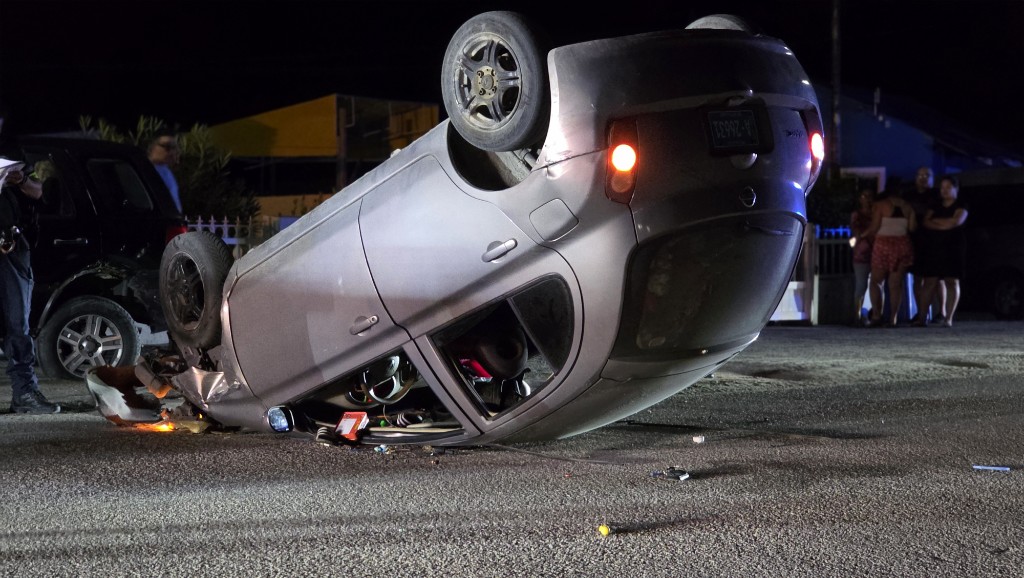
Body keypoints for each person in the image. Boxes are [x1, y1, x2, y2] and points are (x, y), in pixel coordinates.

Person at [0, 110, 61, 413]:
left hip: (10, 246)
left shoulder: (13, 156)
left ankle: (24, 393)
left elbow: (38, 192)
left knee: (17, 323)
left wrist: (21, 178)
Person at [914, 176, 968, 327]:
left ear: (956, 189)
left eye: (948, 187)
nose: (944, 190)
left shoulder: (961, 205)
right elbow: (926, 222)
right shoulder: (935, 205)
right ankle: (921, 318)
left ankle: (948, 318)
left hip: (954, 246)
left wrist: (937, 222)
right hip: (935, 247)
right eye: (942, 187)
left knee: (952, 280)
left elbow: (956, 221)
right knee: (929, 280)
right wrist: (946, 223)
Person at [859, 189, 916, 327]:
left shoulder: (881, 205)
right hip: (902, 244)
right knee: (895, 284)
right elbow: (912, 228)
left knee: (876, 281)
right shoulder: (908, 207)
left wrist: (861, 236)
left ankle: (877, 315)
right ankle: (893, 318)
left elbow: (874, 227)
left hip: (883, 244)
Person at [905, 166, 942, 322]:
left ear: (933, 178)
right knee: (917, 277)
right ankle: (921, 312)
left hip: (934, 240)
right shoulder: (909, 196)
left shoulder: (937, 195)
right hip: (915, 240)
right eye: (920, 175)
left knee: (937, 278)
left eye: (927, 175)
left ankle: (942, 311)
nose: (923, 178)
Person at [849, 188, 874, 325]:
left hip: (876, 250)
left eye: (869, 196)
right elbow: (856, 231)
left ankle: (873, 313)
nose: (866, 199)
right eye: (864, 196)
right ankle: (857, 315)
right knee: (861, 284)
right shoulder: (857, 215)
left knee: (876, 285)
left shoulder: (876, 213)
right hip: (862, 252)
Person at [147, 129, 183, 213]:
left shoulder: (166, 171)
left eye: (175, 147)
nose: (172, 152)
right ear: (152, 147)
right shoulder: (145, 172)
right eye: (167, 147)